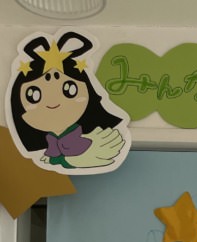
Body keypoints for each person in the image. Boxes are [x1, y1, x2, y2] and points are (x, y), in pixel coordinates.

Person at [7, 31, 129, 173]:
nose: (52, 101)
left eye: (69, 90)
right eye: (34, 95)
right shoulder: (48, 146)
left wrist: (66, 160)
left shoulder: (96, 138)